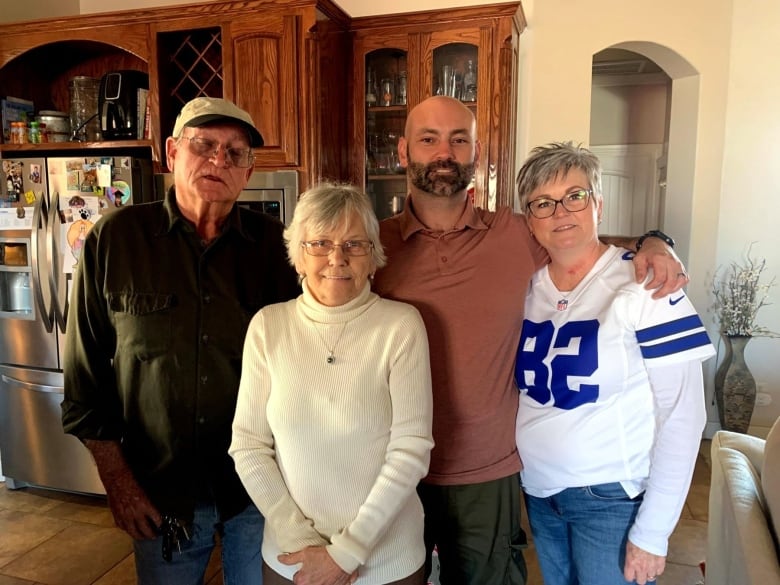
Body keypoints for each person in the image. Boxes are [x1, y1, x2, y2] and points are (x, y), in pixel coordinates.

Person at [373, 96, 690, 585]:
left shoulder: (515, 235)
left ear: (477, 153)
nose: (444, 152)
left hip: (491, 469)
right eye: (428, 139)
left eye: (459, 139)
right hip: (394, 463)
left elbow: (587, 245)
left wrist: (656, 242)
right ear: (402, 151)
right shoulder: (370, 245)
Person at [62, 97, 300, 584]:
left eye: (235, 153)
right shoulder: (115, 240)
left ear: (249, 171)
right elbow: (85, 381)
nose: (219, 161)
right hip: (160, 489)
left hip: (260, 488)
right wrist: (118, 483)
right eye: (204, 145)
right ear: (171, 152)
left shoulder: (279, 249)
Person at [513, 142, 715, 585]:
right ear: (529, 220)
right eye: (543, 203)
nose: (560, 212)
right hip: (539, 493)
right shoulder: (525, 286)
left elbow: (683, 415)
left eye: (575, 196)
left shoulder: (645, 283)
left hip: (611, 499)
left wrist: (654, 532)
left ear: (597, 204)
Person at [230, 183, 434, 585]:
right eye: (319, 243)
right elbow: (249, 445)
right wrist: (305, 544)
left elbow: (411, 450)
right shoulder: (268, 327)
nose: (336, 258)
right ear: (299, 257)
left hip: (387, 562)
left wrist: (347, 553)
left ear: (372, 256)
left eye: (354, 244)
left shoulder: (401, 325)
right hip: (294, 560)